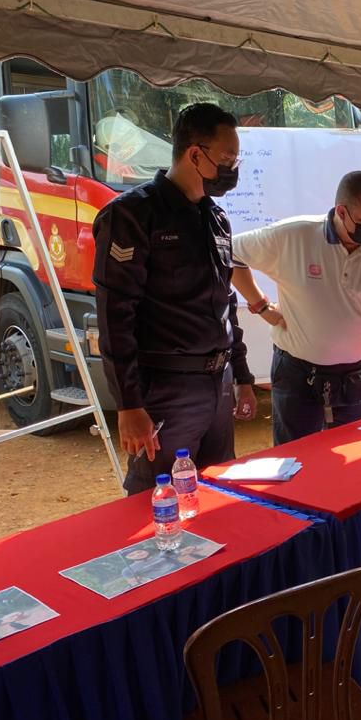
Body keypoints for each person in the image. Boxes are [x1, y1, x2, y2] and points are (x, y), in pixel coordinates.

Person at [92, 102, 257, 495]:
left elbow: (225, 303)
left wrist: (243, 375)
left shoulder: (216, 219)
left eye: (236, 158)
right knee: (157, 503)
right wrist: (129, 404)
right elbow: (116, 316)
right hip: (166, 389)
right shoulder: (133, 215)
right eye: (227, 158)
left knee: (218, 496)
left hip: (218, 384)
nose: (233, 168)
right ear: (194, 154)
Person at [231, 171, 361, 444]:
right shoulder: (295, 236)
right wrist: (260, 305)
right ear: (342, 212)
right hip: (298, 375)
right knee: (296, 459)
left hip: (355, 379)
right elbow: (231, 253)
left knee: (352, 457)